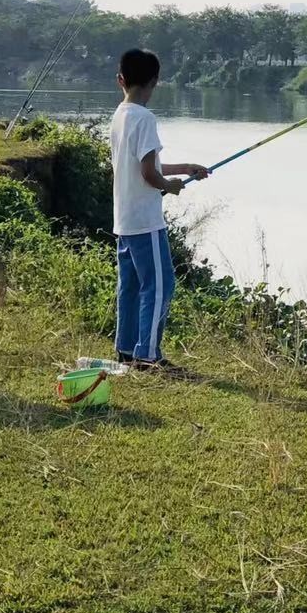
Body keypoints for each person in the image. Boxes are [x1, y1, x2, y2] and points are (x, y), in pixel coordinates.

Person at [110, 48, 209, 371]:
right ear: (154, 82)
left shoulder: (120, 115)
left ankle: (126, 349)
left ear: (120, 80)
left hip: (124, 219)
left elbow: (147, 162)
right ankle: (148, 356)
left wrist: (186, 167)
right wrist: (171, 186)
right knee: (161, 284)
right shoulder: (145, 118)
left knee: (131, 286)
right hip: (145, 221)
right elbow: (150, 174)